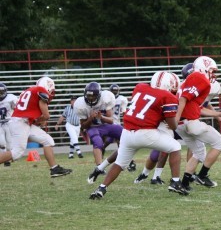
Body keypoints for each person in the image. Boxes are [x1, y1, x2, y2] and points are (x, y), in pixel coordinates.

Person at [90, 71, 188, 199]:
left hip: (127, 132)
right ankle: (175, 182)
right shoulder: (167, 96)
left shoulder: (140, 88)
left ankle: (101, 189)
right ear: (168, 85)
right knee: (175, 146)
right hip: (146, 133)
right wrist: (172, 120)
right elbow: (173, 126)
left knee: (120, 163)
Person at [176, 56, 221, 191]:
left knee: (199, 152)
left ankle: (183, 184)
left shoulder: (185, 84)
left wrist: (219, 115)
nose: (213, 74)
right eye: (212, 71)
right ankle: (202, 175)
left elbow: (197, 107)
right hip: (190, 122)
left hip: (180, 125)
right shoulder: (200, 79)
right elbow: (184, 99)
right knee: (219, 143)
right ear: (204, 68)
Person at [0, 77, 72, 177]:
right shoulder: (41, 91)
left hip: (22, 121)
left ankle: (54, 169)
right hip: (20, 122)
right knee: (16, 153)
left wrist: (38, 120)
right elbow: (46, 116)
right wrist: (41, 120)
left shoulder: (30, 90)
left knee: (48, 140)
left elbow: (29, 110)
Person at [73, 82, 123, 183]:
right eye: (89, 96)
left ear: (99, 95)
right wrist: (90, 118)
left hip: (105, 125)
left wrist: (101, 117)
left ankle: (126, 160)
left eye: (93, 96)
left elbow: (111, 120)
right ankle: (100, 167)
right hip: (92, 127)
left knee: (124, 133)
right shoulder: (80, 104)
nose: (91, 98)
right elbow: (83, 126)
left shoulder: (106, 98)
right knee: (97, 141)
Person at [105, 83, 136, 172]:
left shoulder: (122, 99)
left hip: (116, 124)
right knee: (104, 144)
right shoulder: (107, 99)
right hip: (109, 124)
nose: (114, 93)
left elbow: (124, 113)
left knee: (121, 145)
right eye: (113, 91)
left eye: (115, 91)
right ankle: (100, 165)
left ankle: (130, 163)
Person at [0, 83, 18, 166]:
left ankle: (8, 159)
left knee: (9, 143)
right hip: (0, 124)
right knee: (2, 143)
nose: (0, 94)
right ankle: (5, 160)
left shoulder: (11, 98)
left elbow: (17, 108)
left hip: (10, 122)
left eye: (1, 92)